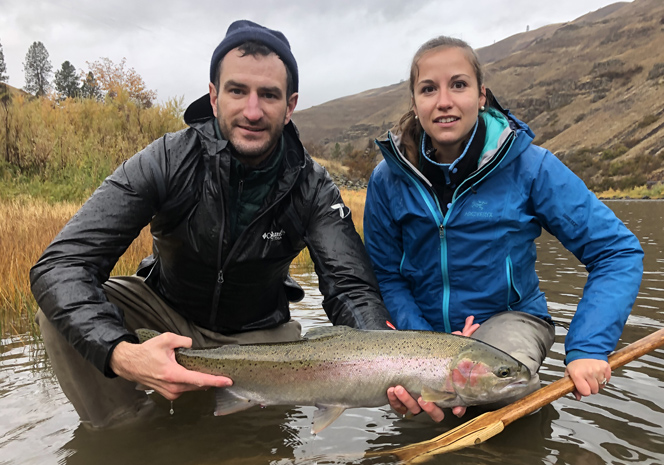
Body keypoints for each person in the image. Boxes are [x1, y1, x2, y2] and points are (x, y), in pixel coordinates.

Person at [30, 20, 393, 429]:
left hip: (260, 337)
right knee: (56, 316)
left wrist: (390, 366)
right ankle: (129, 431)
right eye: (238, 91)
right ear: (215, 96)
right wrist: (121, 353)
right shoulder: (166, 160)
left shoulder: (313, 186)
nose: (252, 111)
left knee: (255, 446)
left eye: (269, 95)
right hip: (164, 314)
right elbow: (59, 267)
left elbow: (351, 290)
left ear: (290, 106)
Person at [363, 36, 644, 423]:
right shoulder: (386, 180)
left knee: (499, 389)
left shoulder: (532, 167)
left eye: (458, 85)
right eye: (429, 89)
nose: (444, 101)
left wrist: (588, 348)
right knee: (419, 417)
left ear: (482, 96)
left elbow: (617, 252)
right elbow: (387, 276)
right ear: (415, 103)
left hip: (510, 318)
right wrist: (431, 345)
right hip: (421, 334)